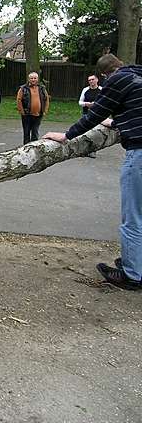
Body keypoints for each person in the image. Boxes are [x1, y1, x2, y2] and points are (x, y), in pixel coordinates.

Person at [44, 53, 141, 291]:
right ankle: (136, 261)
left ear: (104, 75)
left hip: (139, 154)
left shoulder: (117, 81)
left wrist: (66, 136)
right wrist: (118, 122)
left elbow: (95, 113)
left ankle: (132, 275)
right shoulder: (137, 77)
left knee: (133, 218)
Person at [17, 72, 50, 144]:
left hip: (38, 115)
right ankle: (26, 148)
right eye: (31, 78)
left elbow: (46, 99)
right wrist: (22, 111)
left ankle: (34, 148)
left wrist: (45, 110)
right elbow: (19, 100)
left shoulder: (42, 88)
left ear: (37, 79)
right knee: (26, 132)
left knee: (35, 132)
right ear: (29, 79)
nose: (33, 79)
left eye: (35, 78)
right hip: (27, 114)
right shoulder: (23, 88)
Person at [78, 74, 102, 158]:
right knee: (85, 132)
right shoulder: (85, 90)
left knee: (95, 132)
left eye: (92, 79)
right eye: (89, 80)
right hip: (86, 114)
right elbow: (80, 102)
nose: (91, 81)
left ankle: (93, 150)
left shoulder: (101, 90)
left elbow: (104, 102)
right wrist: (86, 104)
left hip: (97, 115)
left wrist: (95, 104)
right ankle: (84, 150)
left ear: (97, 80)